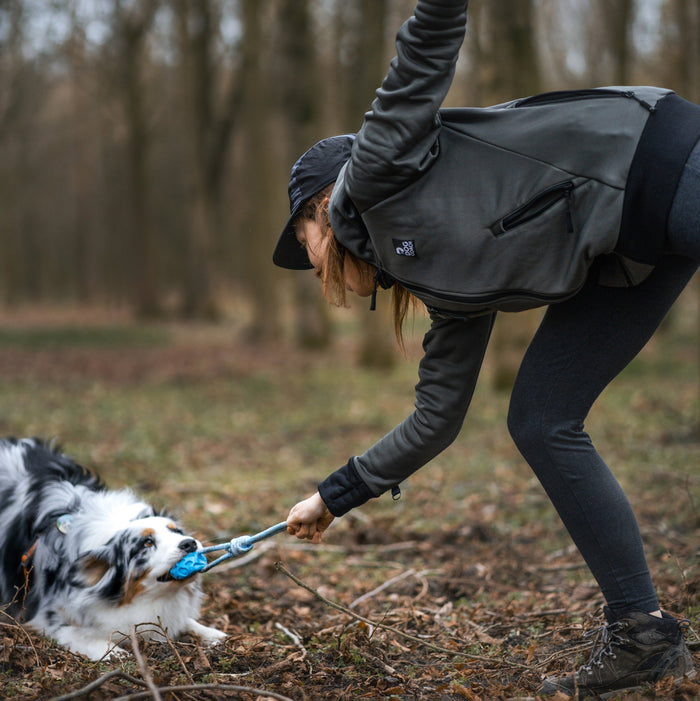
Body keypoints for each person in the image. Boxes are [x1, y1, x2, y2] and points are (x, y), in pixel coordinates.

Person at [273, 0, 699, 696]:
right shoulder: (441, 285)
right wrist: (334, 494)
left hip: (656, 158)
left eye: (303, 240)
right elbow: (436, 417)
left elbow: (427, 49)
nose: (313, 264)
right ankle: (641, 632)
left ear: (325, 206)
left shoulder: (376, 167)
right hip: (625, 246)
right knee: (540, 417)